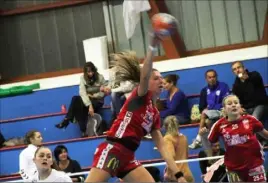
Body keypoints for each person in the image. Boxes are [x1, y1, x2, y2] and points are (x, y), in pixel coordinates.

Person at [85, 33, 186, 182]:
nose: (161, 80)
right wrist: (152, 46)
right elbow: (144, 74)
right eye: (156, 78)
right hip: (113, 149)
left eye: (161, 78)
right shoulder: (140, 96)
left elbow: (163, 147)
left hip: (128, 156)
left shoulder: (154, 113)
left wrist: (179, 175)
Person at [207, 94, 268, 182]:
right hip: (233, 169)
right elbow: (211, 141)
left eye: (236, 103)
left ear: (240, 107)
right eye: (229, 103)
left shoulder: (251, 120)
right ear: (224, 109)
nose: (233, 105)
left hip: (254, 165)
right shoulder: (219, 125)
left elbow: (265, 134)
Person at [55, 62, 106, 137]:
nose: (91, 73)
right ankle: (80, 128)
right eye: (89, 72)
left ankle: (69, 120)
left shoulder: (100, 77)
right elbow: (82, 92)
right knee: (76, 99)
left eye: (92, 71)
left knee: (78, 104)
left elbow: (103, 92)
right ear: (85, 72)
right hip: (87, 101)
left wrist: (94, 96)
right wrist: (89, 105)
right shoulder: (82, 78)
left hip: (97, 101)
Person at [189, 69, 229, 149]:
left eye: (214, 77)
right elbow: (201, 107)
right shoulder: (204, 91)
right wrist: (209, 108)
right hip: (210, 115)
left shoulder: (223, 86)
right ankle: (215, 146)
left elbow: (226, 102)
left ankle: (198, 138)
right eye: (209, 77)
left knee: (204, 114)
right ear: (206, 79)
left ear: (216, 77)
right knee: (207, 121)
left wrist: (211, 107)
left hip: (222, 112)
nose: (212, 79)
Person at [101, 52, 140, 123]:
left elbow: (128, 87)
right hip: (118, 94)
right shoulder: (113, 71)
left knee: (114, 96)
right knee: (114, 103)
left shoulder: (129, 69)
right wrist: (107, 88)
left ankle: (119, 117)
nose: (116, 63)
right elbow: (111, 83)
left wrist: (112, 90)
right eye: (115, 60)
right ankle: (117, 120)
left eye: (118, 60)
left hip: (129, 92)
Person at [163, 116, 194, 182]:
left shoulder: (167, 138)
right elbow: (186, 155)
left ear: (165, 127)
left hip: (176, 177)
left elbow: (171, 157)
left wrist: (168, 173)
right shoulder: (184, 137)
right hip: (187, 174)